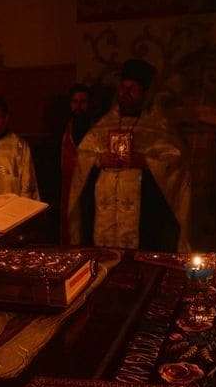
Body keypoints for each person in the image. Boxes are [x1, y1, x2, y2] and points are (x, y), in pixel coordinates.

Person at [66, 59, 191, 251]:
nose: (125, 93)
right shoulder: (102, 126)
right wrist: (99, 160)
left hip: (144, 216)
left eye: (132, 89)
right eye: (123, 88)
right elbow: (83, 156)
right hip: (103, 215)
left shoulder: (158, 127)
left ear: (145, 93)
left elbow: (175, 161)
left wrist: (145, 161)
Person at [60, 83, 94, 241]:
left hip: (89, 186)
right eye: (75, 101)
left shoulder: (96, 129)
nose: (78, 106)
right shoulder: (64, 127)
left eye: (83, 102)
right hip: (69, 184)